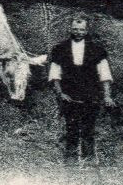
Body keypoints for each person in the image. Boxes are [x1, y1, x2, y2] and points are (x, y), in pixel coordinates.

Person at [47, 15, 113, 164]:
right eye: (75, 29)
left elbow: (105, 75)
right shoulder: (60, 49)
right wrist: (60, 93)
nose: (78, 32)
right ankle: (70, 159)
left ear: (86, 30)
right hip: (69, 96)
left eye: (82, 29)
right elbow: (54, 74)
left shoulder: (97, 50)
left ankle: (89, 159)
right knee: (71, 127)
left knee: (89, 128)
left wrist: (107, 96)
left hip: (92, 95)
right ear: (70, 29)